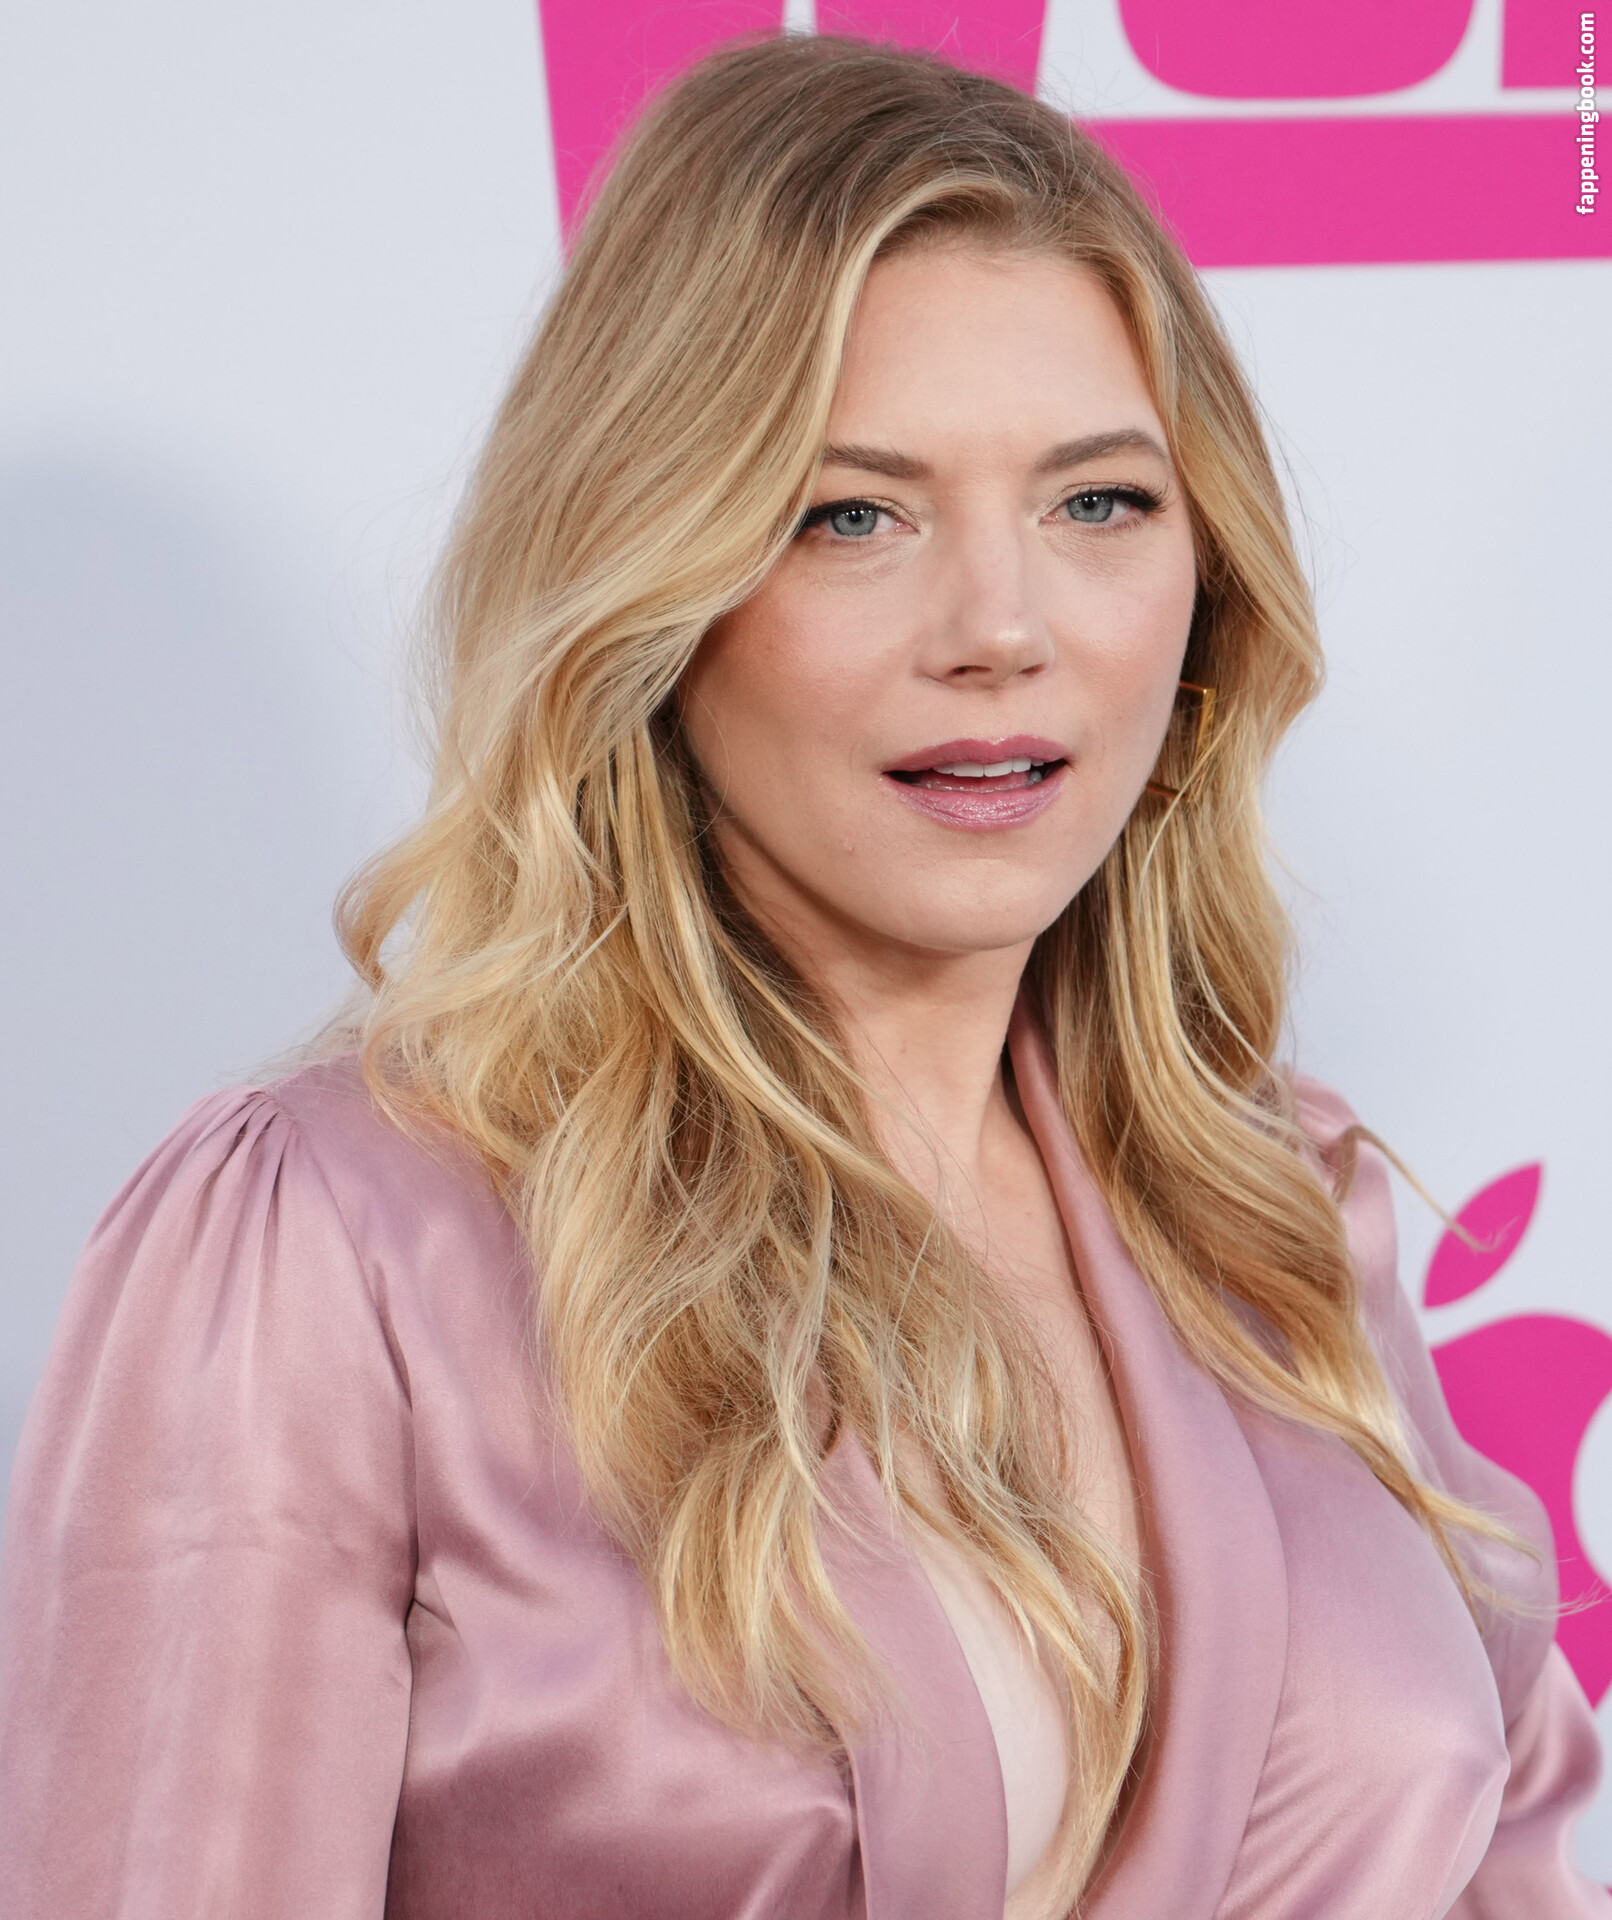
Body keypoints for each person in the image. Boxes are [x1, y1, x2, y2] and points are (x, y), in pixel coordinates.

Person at [0, 32, 1604, 1920]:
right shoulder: (335, 1248)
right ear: (650, 581)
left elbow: (1510, 1856)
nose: (1001, 627)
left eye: (1098, 502)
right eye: (853, 514)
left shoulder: (1273, 1205)